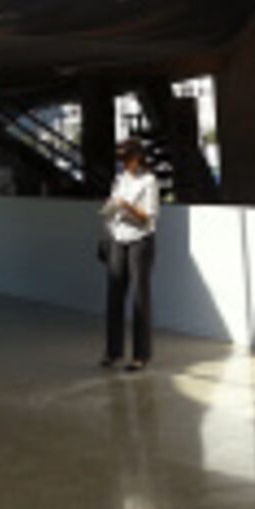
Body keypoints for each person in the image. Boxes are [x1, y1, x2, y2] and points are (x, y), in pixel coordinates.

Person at [101, 137, 160, 372]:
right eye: (120, 159)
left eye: (126, 158)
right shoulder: (119, 179)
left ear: (137, 157)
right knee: (114, 295)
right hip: (118, 236)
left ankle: (141, 355)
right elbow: (112, 207)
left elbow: (149, 217)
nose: (123, 163)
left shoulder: (149, 181)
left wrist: (126, 205)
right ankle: (113, 352)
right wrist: (111, 209)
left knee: (139, 298)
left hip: (140, 241)